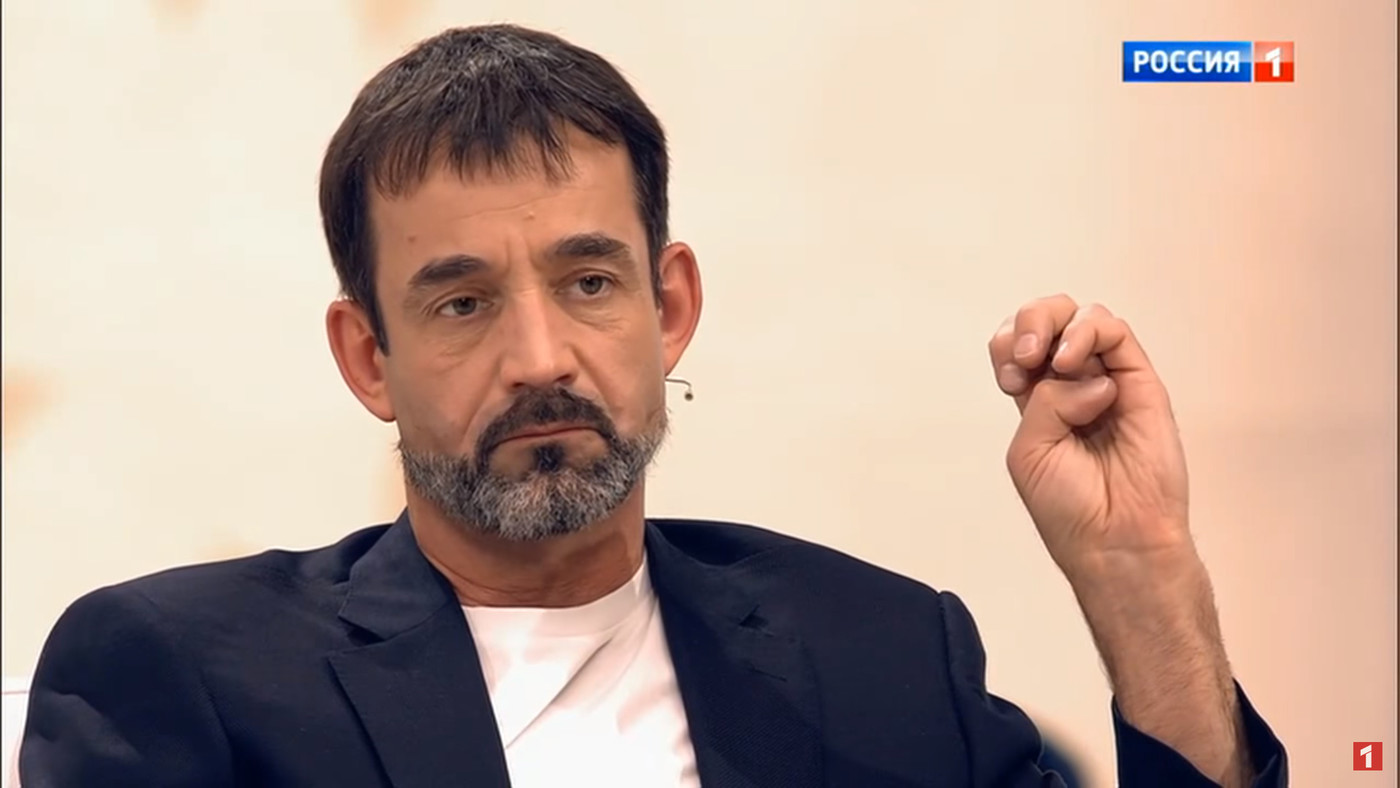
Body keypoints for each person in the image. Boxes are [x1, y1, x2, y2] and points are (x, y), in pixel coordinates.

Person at [19, 24, 1286, 788]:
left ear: (668, 304)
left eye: (588, 281)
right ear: (367, 357)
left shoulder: (881, 655)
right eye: (461, 302)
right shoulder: (189, 671)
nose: (539, 356)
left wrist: (1138, 573)